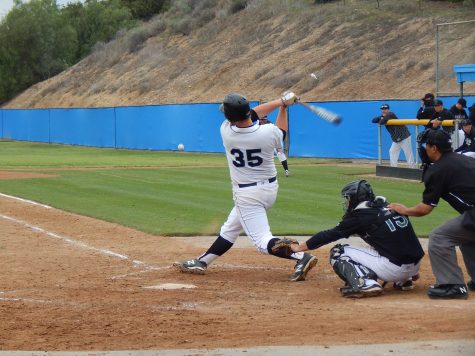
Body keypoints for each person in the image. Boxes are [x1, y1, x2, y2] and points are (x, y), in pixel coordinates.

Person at [173, 92, 317, 281]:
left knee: (261, 241)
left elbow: (253, 113)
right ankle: (203, 261)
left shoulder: (226, 131)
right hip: (269, 190)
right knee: (231, 228)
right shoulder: (268, 132)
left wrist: (280, 102)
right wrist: (283, 106)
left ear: (230, 117)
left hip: (247, 193)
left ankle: (300, 255)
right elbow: (280, 130)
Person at [272, 180, 424, 298]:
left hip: (393, 269)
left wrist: (298, 248)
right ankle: (405, 281)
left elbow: (328, 235)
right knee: (381, 243)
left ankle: (364, 284)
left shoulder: (359, 217)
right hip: (414, 266)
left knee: (339, 251)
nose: (347, 203)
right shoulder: (388, 207)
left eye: (348, 199)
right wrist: (412, 273)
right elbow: (403, 237)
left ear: (356, 198)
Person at [388, 129, 475, 300]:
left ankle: (452, 285)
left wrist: (404, 209)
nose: (424, 149)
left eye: (426, 146)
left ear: (434, 148)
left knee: (439, 237)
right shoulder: (463, 159)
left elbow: (425, 209)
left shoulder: (438, 170)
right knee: (468, 236)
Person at [372, 103, 415, 168]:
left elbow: (381, 122)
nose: (384, 110)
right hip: (396, 138)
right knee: (392, 151)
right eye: (382, 109)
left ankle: (413, 168)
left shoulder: (390, 114)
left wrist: (381, 118)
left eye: (385, 109)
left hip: (404, 136)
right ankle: (393, 167)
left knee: (408, 153)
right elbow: (373, 120)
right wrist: (381, 117)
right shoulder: (383, 116)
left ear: (388, 109)